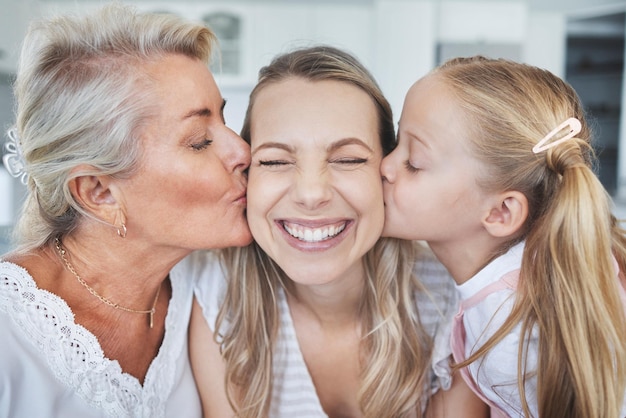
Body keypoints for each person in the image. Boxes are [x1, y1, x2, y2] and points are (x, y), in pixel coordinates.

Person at [190, 45, 486, 418]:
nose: (312, 194)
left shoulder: (451, 299)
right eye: (275, 160)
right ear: (248, 173)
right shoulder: (219, 294)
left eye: (349, 159)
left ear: (389, 170)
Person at [0, 4, 251, 417]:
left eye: (224, 119)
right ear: (98, 191)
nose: (242, 150)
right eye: (200, 141)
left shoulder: (207, 284)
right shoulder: (10, 340)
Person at [380, 55, 626, 418]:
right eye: (395, 143)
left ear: (501, 213)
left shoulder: (512, 344)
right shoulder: (553, 259)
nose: (385, 165)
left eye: (413, 162)